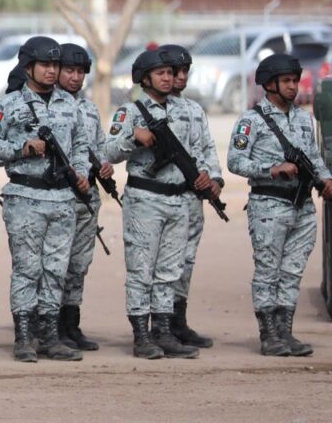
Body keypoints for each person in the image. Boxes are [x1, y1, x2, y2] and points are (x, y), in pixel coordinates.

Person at [0, 36, 89, 363]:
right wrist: (21, 148)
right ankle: (24, 336)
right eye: (46, 65)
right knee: (28, 268)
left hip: (62, 198)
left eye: (56, 65)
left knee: (56, 268)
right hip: (26, 195)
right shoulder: (10, 103)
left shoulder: (69, 104)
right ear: (28, 67)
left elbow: (80, 145)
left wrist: (80, 172)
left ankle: (50, 335)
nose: (52, 71)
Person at [101, 48, 211, 360]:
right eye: (161, 73)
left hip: (178, 199)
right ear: (145, 77)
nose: (168, 78)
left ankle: (164, 331)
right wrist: (134, 139)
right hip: (145, 199)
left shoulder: (183, 110)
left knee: (169, 270)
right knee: (141, 269)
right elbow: (107, 152)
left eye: (170, 73)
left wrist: (207, 177)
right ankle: (141, 335)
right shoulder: (130, 112)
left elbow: (197, 150)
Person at [227, 53, 332, 357]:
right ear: (269, 84)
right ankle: (268, 334)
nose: (292, 87)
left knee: (292, 272)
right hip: (269, 205)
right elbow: (235, 161)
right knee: (268, 271)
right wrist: (273, 168)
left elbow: (314, 157)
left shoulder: (303, 117)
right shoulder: (251, 121)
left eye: (295, 81)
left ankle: (285, 332)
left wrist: (325, 179)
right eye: (286, 81)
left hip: (302, 206)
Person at [161, 44, 221, 349]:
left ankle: (178, 321)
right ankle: (157, 325)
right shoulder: (150, 108)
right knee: (162, 264)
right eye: (174, 72)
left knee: (185, 261)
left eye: (185, 72)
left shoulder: (194, 109)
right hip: (162, 197)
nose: (180, 77)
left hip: (192, 198)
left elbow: (207, 148)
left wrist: (215, 178)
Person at [54, 43, 106, 352]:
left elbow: (99, 146)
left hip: (87, 196)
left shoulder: (88, 108)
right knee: (54, 264)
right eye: (69, 71)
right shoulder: (47, 106)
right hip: (58, 194)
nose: (75, 77)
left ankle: (71, 323)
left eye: (80, 72)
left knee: (79, 264)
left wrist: (105, 164)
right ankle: (48, 324)